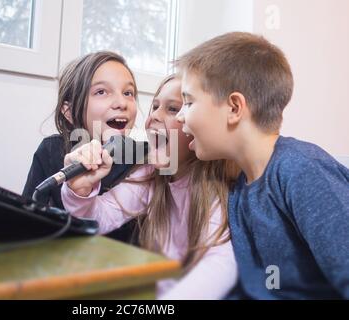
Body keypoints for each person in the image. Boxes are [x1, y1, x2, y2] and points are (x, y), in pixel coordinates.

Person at [175, 32, 349, 299]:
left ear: (234, 107)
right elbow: (270, 284)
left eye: (188, 102)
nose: (180, 114)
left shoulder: (300, 170)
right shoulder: (240, 189)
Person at [61, 75, 239, 299]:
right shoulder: (151, 175)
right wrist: (81, 191)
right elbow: (99, 218)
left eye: (173, 109)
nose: (154, 115)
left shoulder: (214, 189)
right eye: (154, 106)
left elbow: (220, 265)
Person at [23, 51, 139, 242]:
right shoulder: (51, 150)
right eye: (101, 92)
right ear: (68, 111)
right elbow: (28, 223)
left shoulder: (142, 159)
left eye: (128, 93)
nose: (121, 103)